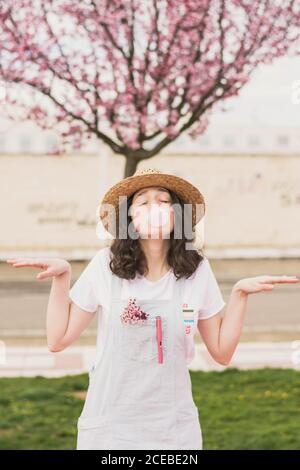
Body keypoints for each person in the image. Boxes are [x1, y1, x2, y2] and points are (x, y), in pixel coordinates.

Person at [6, 167, 299, 450]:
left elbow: (221, 353)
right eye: (143, 202)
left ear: (178, 214)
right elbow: (58, 340)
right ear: (129, 216)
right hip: (112, 427)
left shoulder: (196, 270)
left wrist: (239, 294)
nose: (154, 207)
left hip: (173, 429)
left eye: (163, 200)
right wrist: (62, 278)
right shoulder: (106, 265)